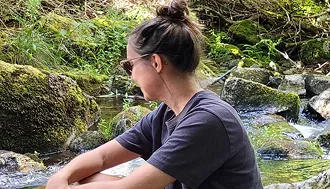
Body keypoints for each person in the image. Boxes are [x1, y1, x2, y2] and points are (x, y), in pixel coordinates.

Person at [45, 0, 262, 188]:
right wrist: (60, 177)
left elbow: (128, 188)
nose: (131, 76)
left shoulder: (208, 120)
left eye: (130, 66)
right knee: (84, 179)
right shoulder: (164, 115)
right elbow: (101, 157)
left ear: (156, 62)